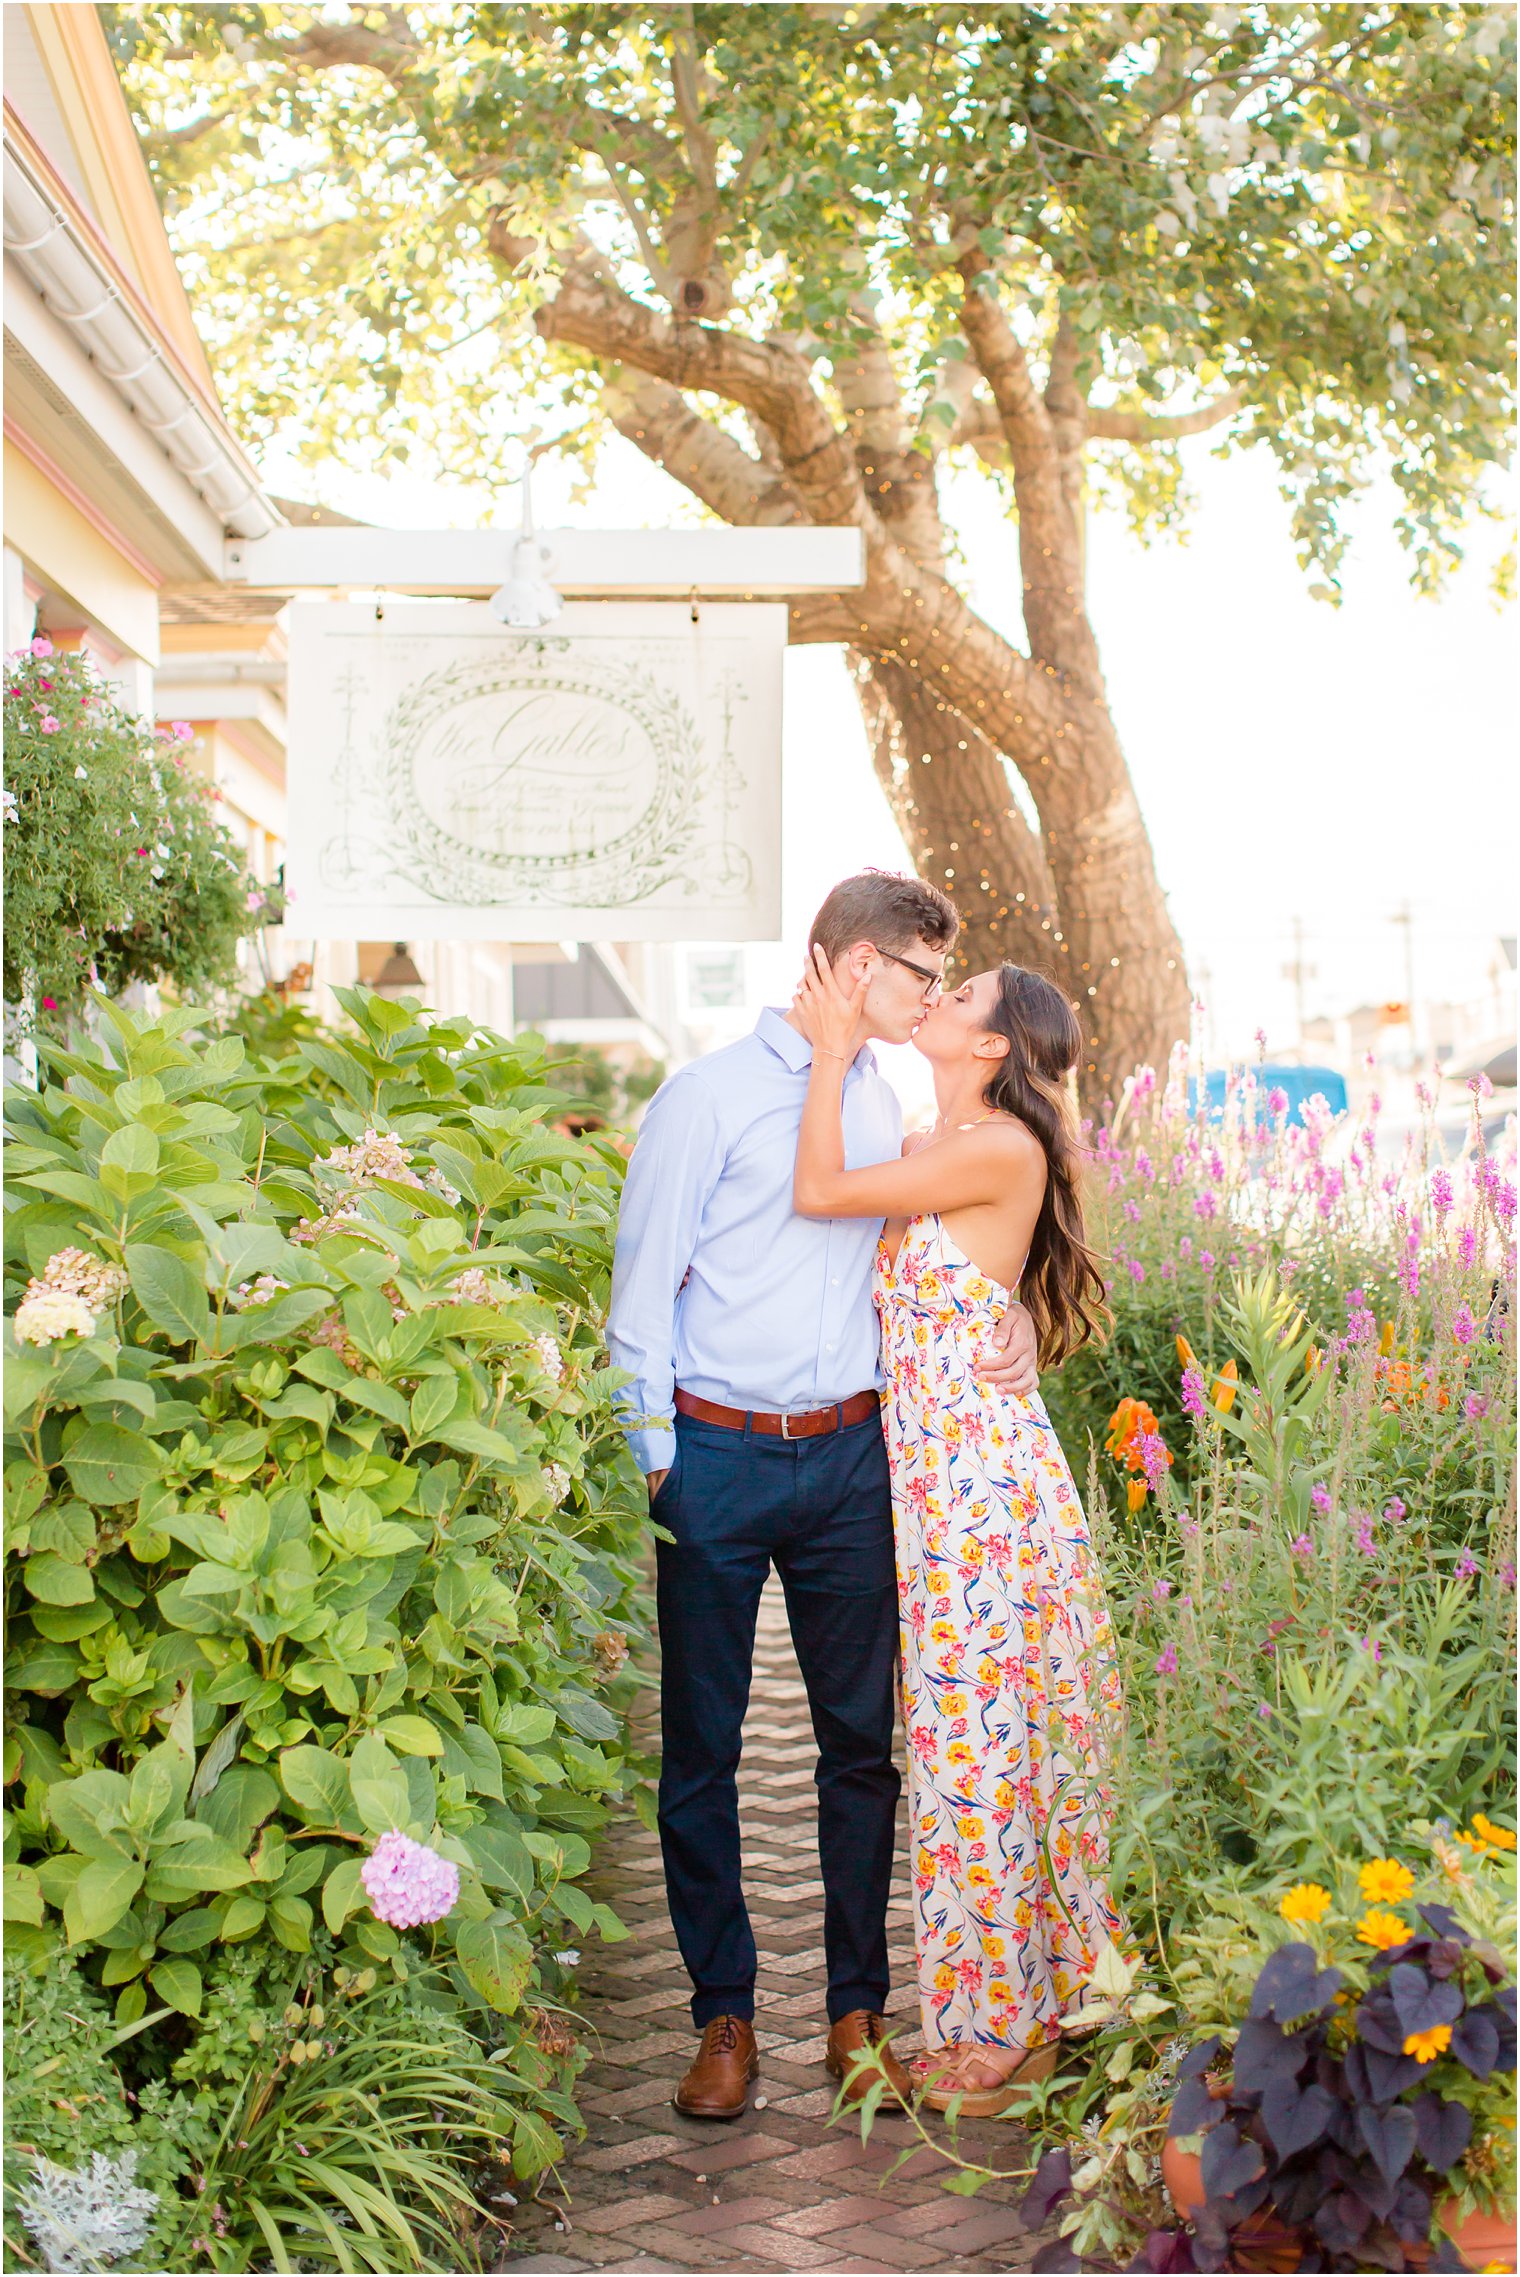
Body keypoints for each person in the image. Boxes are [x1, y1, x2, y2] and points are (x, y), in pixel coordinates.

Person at [606, 872, 1040, 2122]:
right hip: (718, 1458)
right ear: (853, 968)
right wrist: (660, 1466)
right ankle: (721, 2016)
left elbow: (941, 1248)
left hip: (855, 1461)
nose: (925, 995)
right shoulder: (704, 1098)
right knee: (703, 1748)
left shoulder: (887, 1100)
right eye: (918, 973)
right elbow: (640, 1299)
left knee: (860, 1746)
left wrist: (1003, 1309)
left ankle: (857, 2016)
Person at [790, 943, 1123, 2119]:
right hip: (936, 1488)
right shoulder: (935, 1144)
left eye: (963, 994)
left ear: (991, 1045)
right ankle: (1024, 2012)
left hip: (982, 1494)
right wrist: (1021, 1315)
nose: (940, 997)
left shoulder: (993, 1143)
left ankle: (1009, 2036)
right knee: (971, 1748)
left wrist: (832, 1049)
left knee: (983, 1752)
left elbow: (821, 1193)